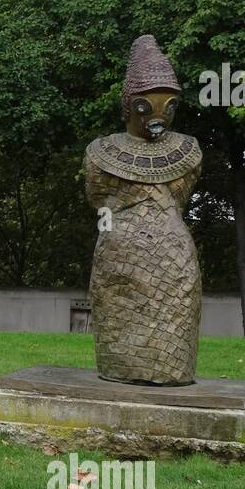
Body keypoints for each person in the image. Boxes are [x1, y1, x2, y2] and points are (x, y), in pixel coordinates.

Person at [85, 35, 203, 386]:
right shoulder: (99, 152)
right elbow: (97, 197)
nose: (157, 114)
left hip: (173, 256)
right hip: (119, 255)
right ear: (128, 106)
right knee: (119, 320)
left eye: (167, 105)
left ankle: (169, 374)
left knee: (175, 320)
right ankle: (122, 368)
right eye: (145, 105)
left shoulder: (188, 150)